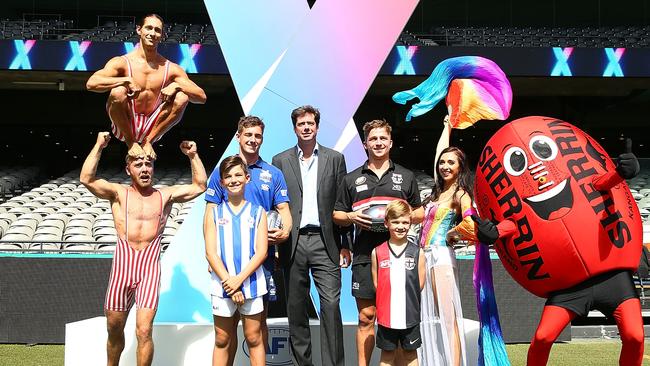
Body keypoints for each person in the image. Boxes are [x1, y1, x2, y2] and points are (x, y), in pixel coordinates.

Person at [79, 132, 207, 366]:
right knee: (114, 328)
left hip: (149, 269)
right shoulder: (118, 193)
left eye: (149, 164)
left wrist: (193, 155)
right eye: (138, 164)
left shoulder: (164, 195)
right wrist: (99, 145)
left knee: (144, 331)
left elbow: (200, 185)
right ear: (129, 169)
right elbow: (86, 178)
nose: (145, 169)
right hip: (122, 268)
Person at [333, 119, 424, 366]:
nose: (378, 143)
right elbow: (337, 215)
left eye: (383, 138)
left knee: (398, 317)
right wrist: (351, 216)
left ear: (391, 142)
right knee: (366, 317)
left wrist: (400, 214)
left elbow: (420, 213)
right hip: (364, 254)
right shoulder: (351, 179)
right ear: (365, 144)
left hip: (399, 255)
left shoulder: (405, 176)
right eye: (373, 139)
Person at [204, 115, 292, 360]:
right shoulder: (221, 171)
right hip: (224, 268)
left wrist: (285, 231)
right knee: (224, 335)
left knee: (256, 331)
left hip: (258, 266)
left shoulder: (272, 173)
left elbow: (284, 211)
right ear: (238, 136)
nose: (253, 140)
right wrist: (211, 260)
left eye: (257, 136)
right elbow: (209, 215)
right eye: (248, 135)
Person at [271, 105, 350, 366]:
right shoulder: (280, 160)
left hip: (325, 242)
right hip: (292, 243)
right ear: (294, 128)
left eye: (310, 123)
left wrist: (345, 244)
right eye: (301, 124)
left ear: (317, 126)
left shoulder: (335, 158)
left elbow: (342, 203)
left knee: (330, 306)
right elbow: (275, 205)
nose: (306, 127)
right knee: (296, 311)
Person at [86, 13, 207, 160]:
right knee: (118, 91)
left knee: (182, 96)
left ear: (161, 35)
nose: (152, 33)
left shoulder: (171, 68)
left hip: (153, 127)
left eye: (157, 30)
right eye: (149, 28)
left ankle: (148, 141)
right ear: (139, 30)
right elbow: (92, 83)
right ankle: (131, 143)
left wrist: (176, 85)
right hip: (125, 124)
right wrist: (125, 80)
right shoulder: (122, 62)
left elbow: (201, 97)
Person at [204, 155, 268, 366]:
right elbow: (211, 253)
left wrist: (239, 280)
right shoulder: (214, 213)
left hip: (251, 284)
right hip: (222, 285)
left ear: (247, 178)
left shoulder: (259, 213)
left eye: (238, 175)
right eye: (228, 176)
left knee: (254, 337)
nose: (233, 180)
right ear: (221, 182)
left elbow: (262, 252)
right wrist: (229, 283)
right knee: (222, 339)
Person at [417, 146, 477, 366]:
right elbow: (417, 216)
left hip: (441, 256)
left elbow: (470, 222)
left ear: (460, 166)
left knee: (447, 317)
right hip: (424, 255)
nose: (445, 166)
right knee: (428, 316)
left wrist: (454, 232)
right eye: (442, 162)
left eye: (451, 162)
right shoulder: (437, 192)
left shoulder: (461, 194)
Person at [371, 200, 425, 366]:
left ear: (410, 223)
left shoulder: (418, 252)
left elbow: (419, 284)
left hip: (410, 315)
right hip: (387, 316)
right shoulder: (377, 252)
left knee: (410, 355)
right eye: (395, 222)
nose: (400, 226)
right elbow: (377, 284)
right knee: (387, 356)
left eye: (404, 222)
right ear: (386, 223)